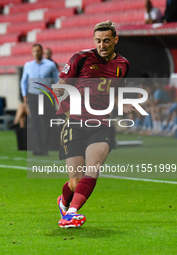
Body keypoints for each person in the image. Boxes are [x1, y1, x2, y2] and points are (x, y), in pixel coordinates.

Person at [54, 21, 133, 228]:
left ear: (115, 40)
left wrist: (122, 103)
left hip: (101, 123)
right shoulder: (80, 58)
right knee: (75, 182)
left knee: (94, 168)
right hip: (75, 122)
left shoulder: (123, 64)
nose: (102, 45)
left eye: (106, 41)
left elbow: (114, 91)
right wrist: (66, 109)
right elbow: (61, 87)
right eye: (98, 41)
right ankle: (64, 200)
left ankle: (71, 214)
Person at [20, 43, 58, 156]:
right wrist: (24, 96)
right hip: (33, 96)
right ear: (32, 53)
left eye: (38, 51)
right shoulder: (27, 65)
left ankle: (45, 148)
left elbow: (56, 80)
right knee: (35, 122)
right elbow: (23, 81)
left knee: (46, 122)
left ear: (42, 52)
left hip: (46, 97)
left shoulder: (50, 65)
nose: (36, 53)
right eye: (34, 51)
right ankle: (39, 147)